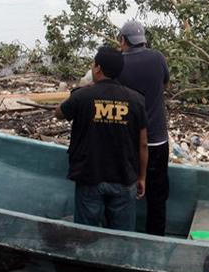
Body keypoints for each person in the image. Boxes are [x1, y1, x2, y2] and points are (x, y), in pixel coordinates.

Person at [55, 46, 148, 231]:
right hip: (124, 177)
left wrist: (79, 90)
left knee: (85, 235)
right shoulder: (136, 99)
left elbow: (58, 112)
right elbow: (143, 143)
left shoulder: (83, 96)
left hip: (90, 176)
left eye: (92, 64)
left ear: (97, 68)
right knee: (123, 236)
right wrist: (142, 177)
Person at [117, 20, 171, 236]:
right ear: (142, 41)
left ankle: (124, 235)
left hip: (130, 141)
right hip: (157, 139)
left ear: (123, 40)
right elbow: (165, 83)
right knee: (158, 195)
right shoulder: (157, 58)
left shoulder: (118, 64)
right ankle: (156, 238)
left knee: (125, 190)